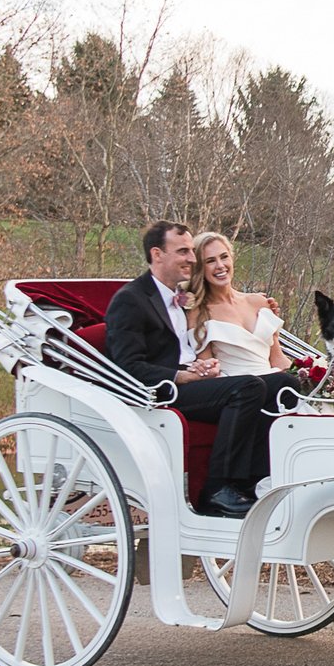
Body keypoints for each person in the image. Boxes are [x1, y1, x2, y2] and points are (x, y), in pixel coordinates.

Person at [104, 221, 290, 517]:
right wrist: (181, 375)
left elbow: (185, 346)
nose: (192, 258)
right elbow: (128, 367)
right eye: (182, 252)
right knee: (247, 387)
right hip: (159, 392)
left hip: (193, 381)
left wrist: (202, 365)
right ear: (157, 254)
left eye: (192, 252)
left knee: (280, 384)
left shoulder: (182, 300)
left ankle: (261, 478)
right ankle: (216, 489)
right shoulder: (131, 300)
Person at [185, 232, 291, 379]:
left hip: (275, 382)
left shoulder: (259, 303)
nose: (220, 266)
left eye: (224, 257)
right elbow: (208, 372)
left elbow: (278, 359)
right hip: (235, 388)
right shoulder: (198, 312)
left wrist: (307, 377)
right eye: (210, 261)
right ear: (200, 269)